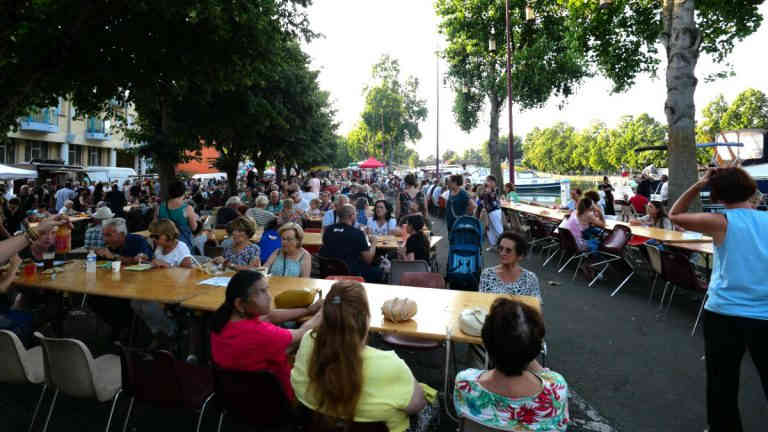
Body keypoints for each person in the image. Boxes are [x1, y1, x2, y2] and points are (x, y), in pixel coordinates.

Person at [668, 167, 768, 432]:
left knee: (722, 380)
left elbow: (675, 214)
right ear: (749, 190)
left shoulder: (721, 221)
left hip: (724, 312)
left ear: (719, 195)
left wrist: (698, 185)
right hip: (764, 313)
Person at [291, 281, 427, 432]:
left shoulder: (308, 341)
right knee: (431, 405)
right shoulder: (391, 365)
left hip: (314, 425)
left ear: (325, 316)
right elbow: (417, 405)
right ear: (367, 319)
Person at [454, 298, 568, 431]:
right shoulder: (556, 390)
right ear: (536, 348)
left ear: (486, 341)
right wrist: (523, 348)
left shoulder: (465, 382)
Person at [210, 271, 322, 400]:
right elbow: (303, 332)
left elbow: (269, 316)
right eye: (262, 292)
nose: (269, 297)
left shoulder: (222, 320)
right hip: (275, 402)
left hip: (234, 399)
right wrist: (324, 310)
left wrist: (308, 310)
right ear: (240, 304)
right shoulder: (261, 333)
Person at [132, 219, 193, 347]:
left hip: (175, 289)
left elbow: (189, 274)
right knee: (135, 302)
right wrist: (146, 261)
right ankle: (159, 330)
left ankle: (169, 331)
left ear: (167, 235)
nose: (153, 239)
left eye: (156, 236)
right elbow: (158, 266)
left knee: (147, 305)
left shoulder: (180, 248)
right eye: (152, 236)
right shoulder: (160, 247)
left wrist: (168, 266)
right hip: (158, 286)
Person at [319, 204, 382, 283]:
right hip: (351, 273)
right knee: (378, 271)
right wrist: (374, 243)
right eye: (355, 214)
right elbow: (368, 259)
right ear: (352, 216)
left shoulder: (328, 230)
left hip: (328, 271)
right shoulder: (358, 234)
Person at [479, 231, 541, 299]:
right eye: (501, 248)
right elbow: (482, 302)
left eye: (508, 250)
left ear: (520, 256)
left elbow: (535, 306)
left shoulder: (530, 279)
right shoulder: (487, 274)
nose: (502, 253)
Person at [157, 180, 198, 251]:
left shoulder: (160, 207)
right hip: (182, 245)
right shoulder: (187, 208)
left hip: (164, 245)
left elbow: (155, 227)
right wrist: (196, 219)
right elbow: (194, 228)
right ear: (183, 192)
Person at [479, 175, 503, 250]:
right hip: (488, 211)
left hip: (494, 211)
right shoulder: (485, 188)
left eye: (488, 180)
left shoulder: (495, 189)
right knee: (489, 229)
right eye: (486, 180)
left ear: (492, 182)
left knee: (498, 228)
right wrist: (484, 190)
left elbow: (494, 197)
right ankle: (493, 244)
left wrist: (489, 192)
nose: (486, 182)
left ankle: (503, 245)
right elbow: (480, 197)